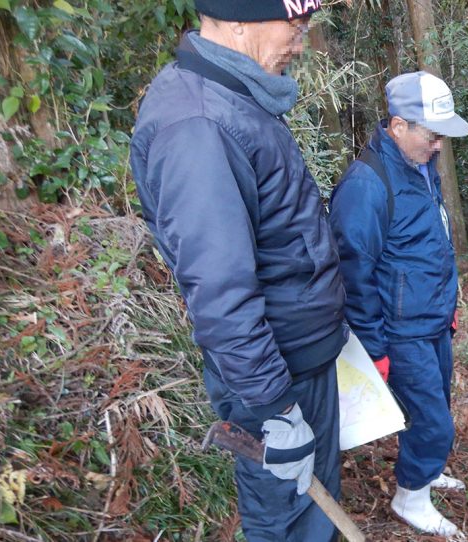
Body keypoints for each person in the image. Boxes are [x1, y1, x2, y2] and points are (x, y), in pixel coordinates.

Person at [129, 1, 347, 539]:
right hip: (273, 378)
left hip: (297, 358)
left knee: (314, 505)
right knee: (288, 516)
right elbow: (220, 290)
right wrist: (275, 407)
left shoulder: (237, 97)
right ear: (239, 19)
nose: (300, 42)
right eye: (294, 27)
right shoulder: (199, 125)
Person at [328, 71, 468, 536]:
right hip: (400, 332)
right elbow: (353, 273)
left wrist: (448, 306)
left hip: (433, 323)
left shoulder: (420, 168)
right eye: (432, 136)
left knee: (435, 408)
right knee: (433, 423)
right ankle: (410, 498)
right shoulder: (366, 185)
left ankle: (423, 475)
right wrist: (375, 348)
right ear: (397, 126)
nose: (438, 147)